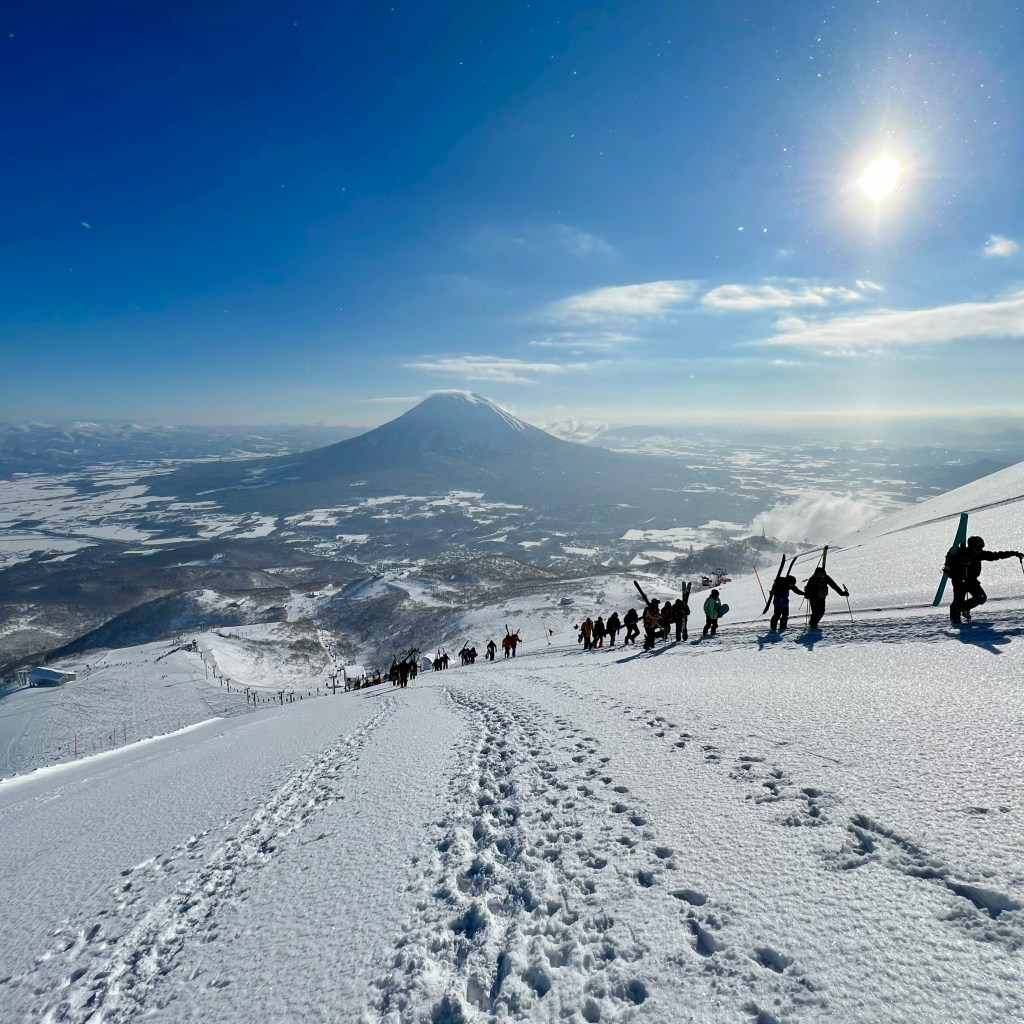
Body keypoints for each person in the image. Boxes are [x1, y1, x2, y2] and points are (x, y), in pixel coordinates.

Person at [946, 536, 1023, 624]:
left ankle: (962, 609)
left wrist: (1015, 554)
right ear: (971, 546)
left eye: (982, 546)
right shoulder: (961, 552)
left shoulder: (980, 554)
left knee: (981, 598)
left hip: (972, 580)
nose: (980, 549)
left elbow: (997, 555)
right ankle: (955, 619)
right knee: (958, 600)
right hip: (959, 580)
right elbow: (951, 562)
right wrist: (961, 562)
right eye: (978, 547)